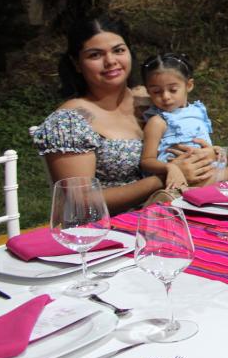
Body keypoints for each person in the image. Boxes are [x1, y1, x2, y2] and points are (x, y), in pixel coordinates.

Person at [31, 17, 218, 213]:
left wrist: (210, 154)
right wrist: (165, 178)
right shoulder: (70, 121)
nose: (110, 61)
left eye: (118, 50)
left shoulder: (153, 99)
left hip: (181, 211)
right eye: (95, 55)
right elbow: (80, 201)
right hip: (112, 231)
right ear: (76, 63)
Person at [140, 53, 214, 192]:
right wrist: (171, 167)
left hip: (206, 170)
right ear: (148, 91)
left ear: (189, 85)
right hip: (178, 181)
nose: (165, 97)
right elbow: (146, 161)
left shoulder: (198, 112)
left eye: (173, 90)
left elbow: (207, 144)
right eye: (156, 92)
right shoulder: (158, 122)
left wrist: (216, 153)